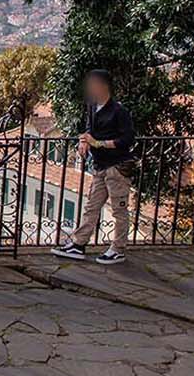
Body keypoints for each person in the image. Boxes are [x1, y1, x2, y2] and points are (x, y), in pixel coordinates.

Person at [53, 69, 136, 265]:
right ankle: (79, 243)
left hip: (117, 167)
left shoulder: (119, 111)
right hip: (100, 166)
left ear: (103, 86)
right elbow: (89, 129)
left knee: (119, 209)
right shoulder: (92, 106)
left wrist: (99, 143)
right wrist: (84, 141)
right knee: (92, 206)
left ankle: (118, 248)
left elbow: (127, 140)